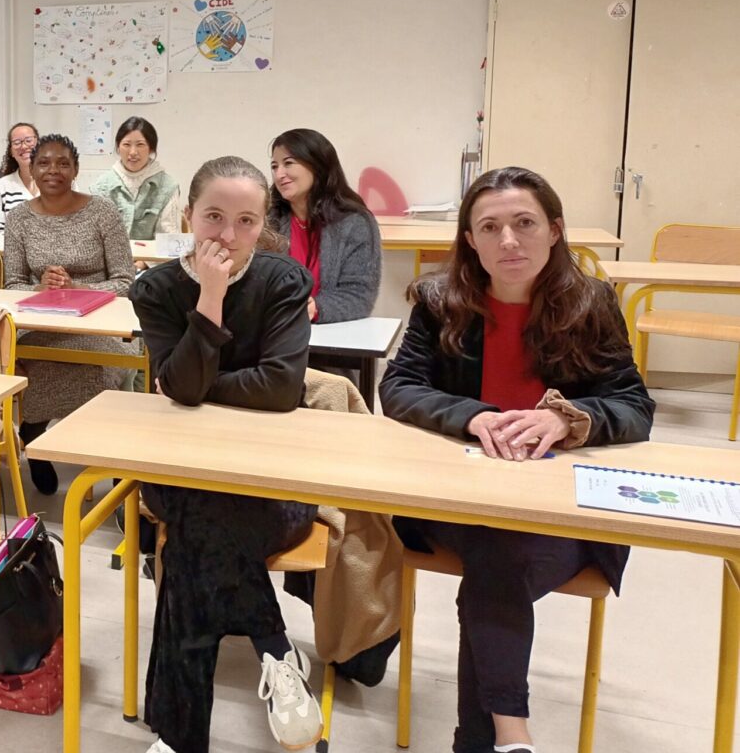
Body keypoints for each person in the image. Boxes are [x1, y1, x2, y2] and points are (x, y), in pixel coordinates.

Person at [379, 166, 654, 753]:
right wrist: (472, 416)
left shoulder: (591, 302)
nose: (508, 240)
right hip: (454, 500)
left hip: (555, 511)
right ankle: (512, 738)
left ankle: (492, 741)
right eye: (490, 227)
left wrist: (566, 419)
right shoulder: (439, 300)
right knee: (494, 548)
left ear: (554, 231)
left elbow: (633, 406)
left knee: (497, 554)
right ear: (470, 241)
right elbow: (399, 389)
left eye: (524, 223)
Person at [130, 155, 324, 753]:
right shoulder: (158, 289)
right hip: (180, 475)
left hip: (268, 484)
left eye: (245, 221)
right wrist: (209, 298)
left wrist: (189, 386)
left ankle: (178, 736)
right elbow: (216, 386)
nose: (228, 236)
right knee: (199, 516)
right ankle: (275, 647)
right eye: (213, 217)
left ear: (263, 225)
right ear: (188, 215)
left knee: (194, 540)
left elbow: (281, 389)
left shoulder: (283, 281)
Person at [3, 134, 135, 494]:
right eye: (44, 162)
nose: (53, 170)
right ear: (31, 168)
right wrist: (40, 289)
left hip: (101, 323)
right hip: (42, 322)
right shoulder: (19, 219)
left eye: (63, 163)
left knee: (88, 363)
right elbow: (12, 285)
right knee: (38, 360)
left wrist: (78, 289)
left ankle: (98, 455)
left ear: (75, 169)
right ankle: (35, 436)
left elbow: (126, 279)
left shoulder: (102, 211)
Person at [267, 128, 381, 323]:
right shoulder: (268, 220)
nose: (279, 175)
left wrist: (315, 308)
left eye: (288, 164)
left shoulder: (355, 222)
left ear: (317, 165)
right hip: (274, 334)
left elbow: (358, 296)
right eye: (274, 166)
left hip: (332, 340)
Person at [92, 116, 183, 240]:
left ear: (151, 148)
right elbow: (96, 236)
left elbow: (170, 240)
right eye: (126, 144)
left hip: (153, 259)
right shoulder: (101, 186)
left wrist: (145, 260)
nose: (133, 152)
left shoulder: (168, 186)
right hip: (112, 259)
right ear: (118, 148)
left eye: (140, 144)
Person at [0, 121, 39, 232]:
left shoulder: (60, 181)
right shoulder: (3, 185)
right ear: (11, 151)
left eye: (29, 140)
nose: (24, 146)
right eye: (17, 142)